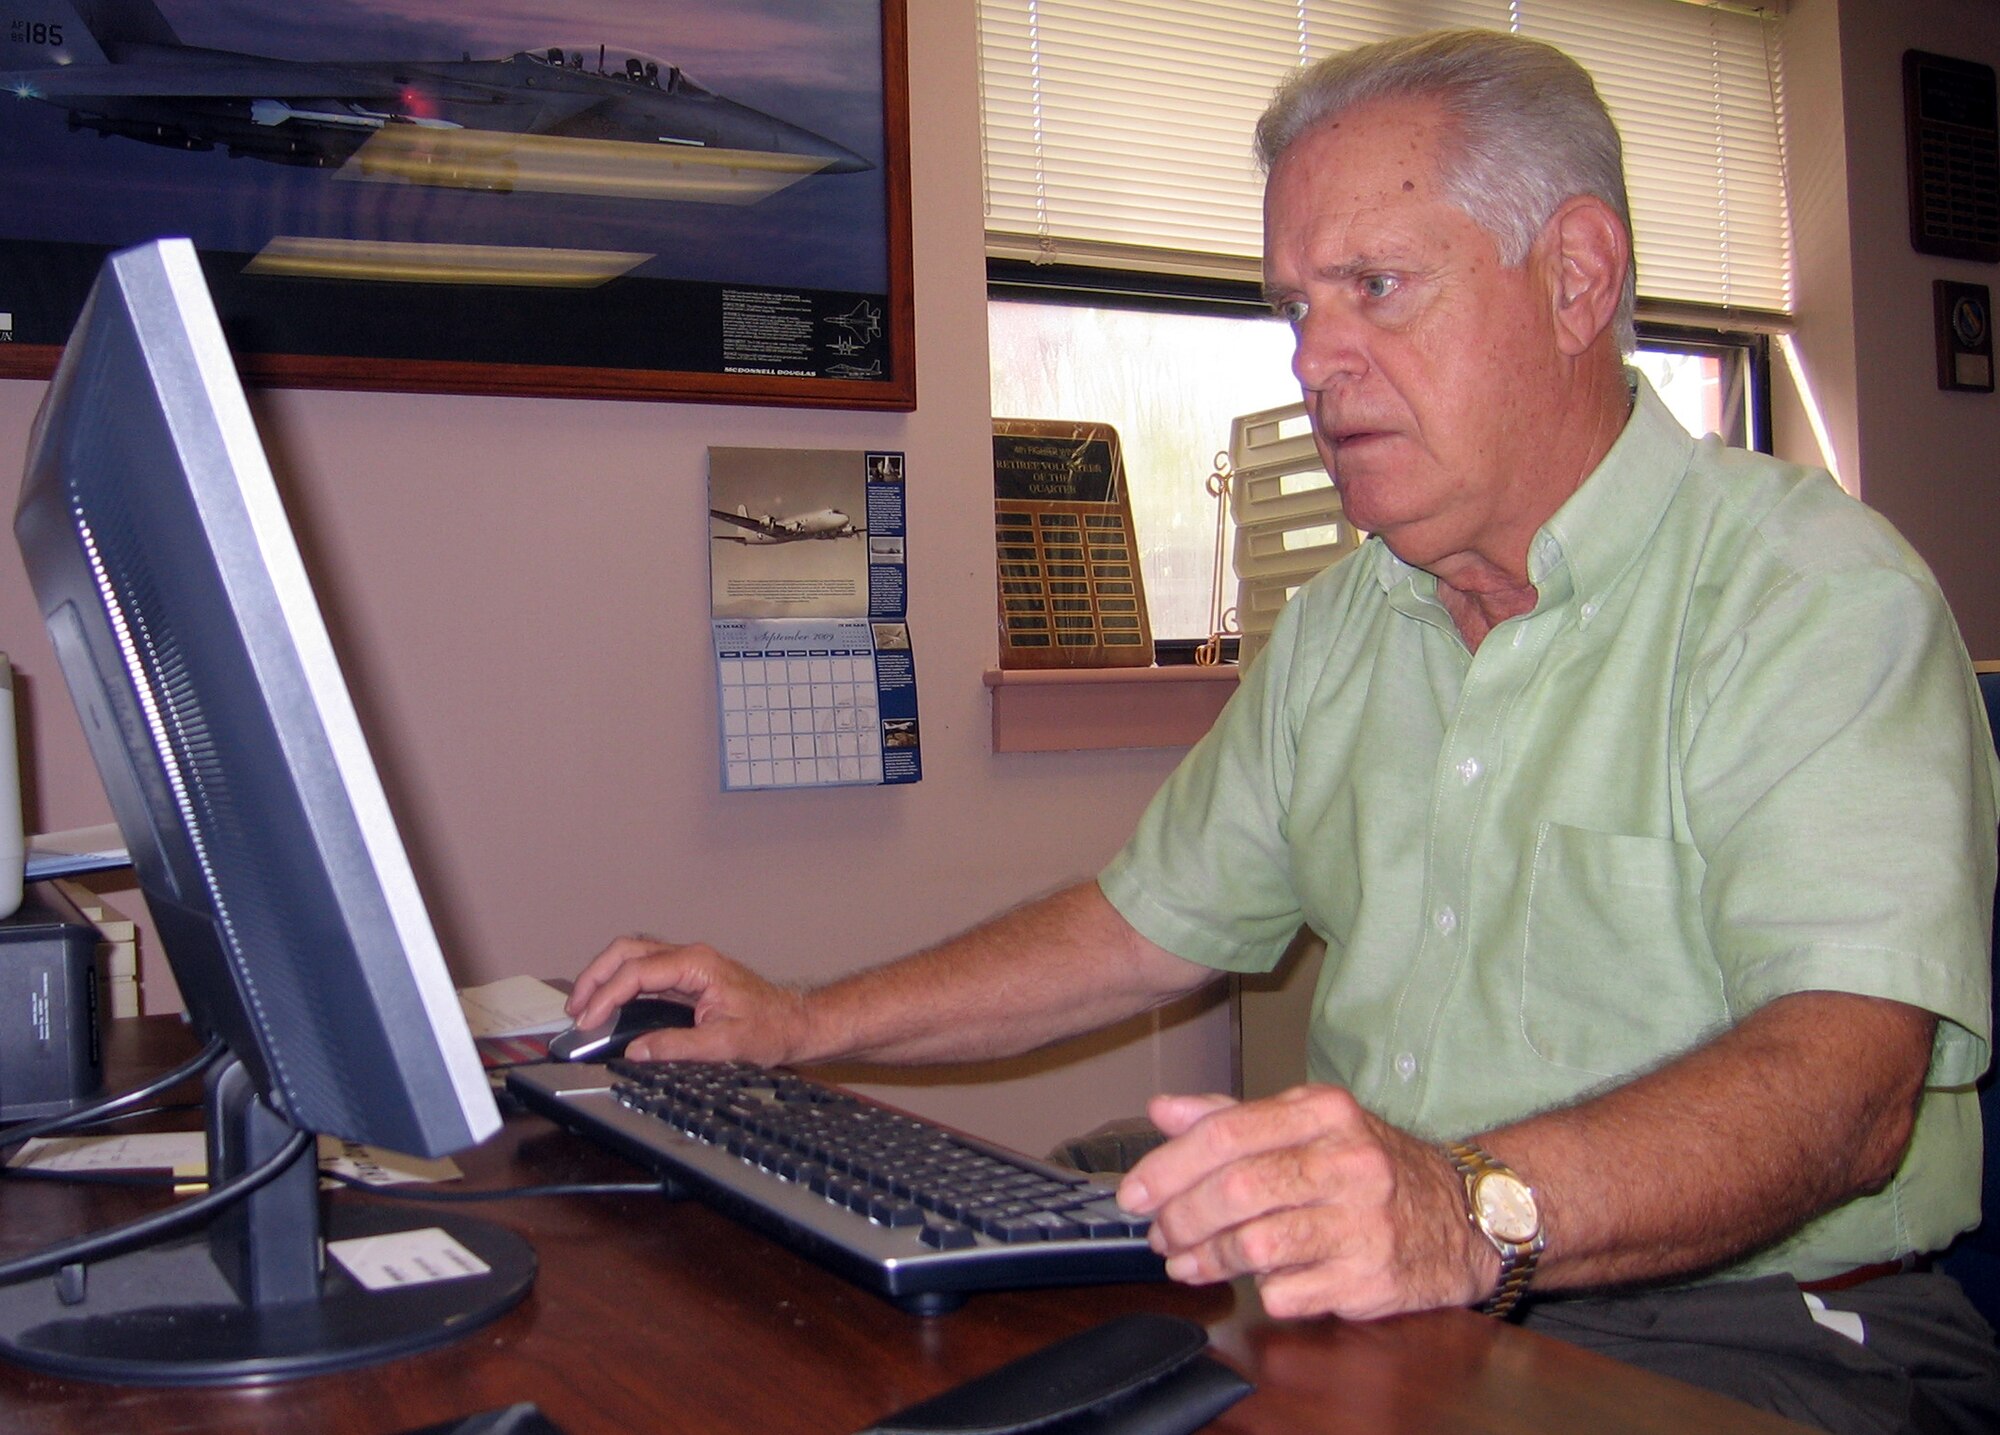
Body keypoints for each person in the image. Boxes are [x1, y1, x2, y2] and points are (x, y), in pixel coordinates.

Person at [568, 29, 2000, 1434]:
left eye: (1375, 288)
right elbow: (1145, 927)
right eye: (1297, 307)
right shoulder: (1345, 627)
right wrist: (803, 1022)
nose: (1317, 361)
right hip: (1416, 1310)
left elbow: (1846, 1089)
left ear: (1576, 277)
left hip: (1774, 1337)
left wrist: (1463, 1207)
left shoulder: (1808, 597)